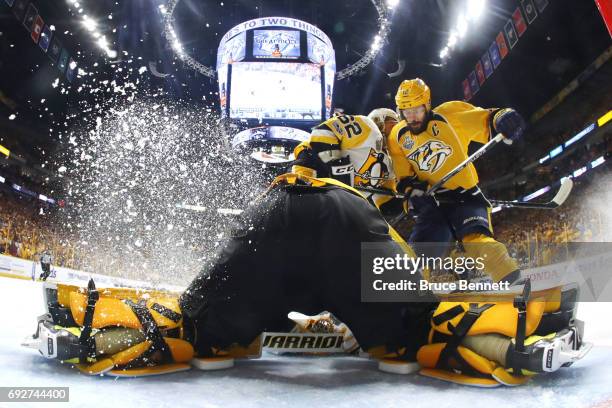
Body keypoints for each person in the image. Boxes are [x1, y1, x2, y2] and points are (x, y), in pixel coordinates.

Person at [27, 173, 589, 386]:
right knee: (419, 330)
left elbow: (282, 297)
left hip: (272, 211)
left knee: (197, 327)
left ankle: (90, 322)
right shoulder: (373, 178)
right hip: (349, 215)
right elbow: (382, 262)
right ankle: (524, 328)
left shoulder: (322, 154)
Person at [387, 78, 526, 284]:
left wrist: (502, 118)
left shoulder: (449, 115)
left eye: (416, 109)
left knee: (477, 242)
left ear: (427, 104)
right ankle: (411, 300)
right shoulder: (397, 136)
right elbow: (403, 176)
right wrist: (413, 193)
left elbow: (487, 118)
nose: (412, 117)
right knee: (417, 256)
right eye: (406, 111)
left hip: (465, 196)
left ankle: (515, 284)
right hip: (433, 203)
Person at [291, 110, 401, 215]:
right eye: (393, 125)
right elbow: (322, 131)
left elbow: (384, 199)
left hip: (333, 201)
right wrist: (337, 165)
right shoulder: (367, 125)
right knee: (300, 206)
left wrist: (406, 203)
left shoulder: (389, 164)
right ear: (380, 120)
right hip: (310, 166)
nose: (396, 132)